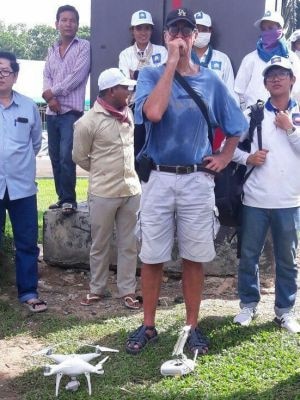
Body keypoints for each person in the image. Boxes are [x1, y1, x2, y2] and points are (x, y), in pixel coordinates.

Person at [125, 8, 248, 356]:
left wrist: (225, 156)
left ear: (195, 37)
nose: (180, 35)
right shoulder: (150, 74)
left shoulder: (211, 80)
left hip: (196, 179)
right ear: (165, 37)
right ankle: (149, 325)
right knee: (152, 256)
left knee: (195, 257)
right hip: (160, 177)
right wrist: (171, 66)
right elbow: (153, 112)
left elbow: (236, 126)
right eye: (174, 30)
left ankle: (192, 326)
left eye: (186, 30)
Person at [232, 56, 300, 333]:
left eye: (282, 74)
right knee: (249, 256)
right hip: (255, 199)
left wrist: (291, 130)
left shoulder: (297, 114)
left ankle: (285, 311)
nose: (276, 78)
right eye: (271, 75)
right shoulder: (254, 114)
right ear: (264, 82)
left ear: (292, 80)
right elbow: (229, 147)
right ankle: (248, 305)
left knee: (287, 259)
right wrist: (248, 158)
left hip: (290, 200)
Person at [72, 68, 142, 309]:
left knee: (128, 243)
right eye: (125, 88)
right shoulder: (87, 122)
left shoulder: (128, 114)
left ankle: (127, 290)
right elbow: (80, 157)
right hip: (103, 193)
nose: (130, 91)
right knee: (99, 243)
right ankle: (97, 289)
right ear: (112, 91)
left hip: (130, 189)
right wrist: (103, 171)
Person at [0, 51, 47, 313]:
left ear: (15, 75)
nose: (1, 75)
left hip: (22, 188)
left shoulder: (28, 106)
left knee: (27, 242)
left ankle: (28, 291)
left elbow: (35, 143)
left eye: (5, 71)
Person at [43, 4, 90, 215]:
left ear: (78, 25)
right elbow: (46, 76)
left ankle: (70, 199)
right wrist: (48, 94)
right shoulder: (51, 49)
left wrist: (52, 93)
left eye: (72, 20)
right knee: (54, 156)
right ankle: (61, 198)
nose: (68, 24)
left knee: (66, 156)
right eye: (64, 20)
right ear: (57, 24)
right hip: (52, 113)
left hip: (71, 111)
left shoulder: (84, 46)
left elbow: (77, 76)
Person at [119, 10, 168, 161]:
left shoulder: (162, 51)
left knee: (159, 149)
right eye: (139, 28)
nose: (143, 32)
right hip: (135, 108)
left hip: (159, 108)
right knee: (135, 151)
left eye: (147, 28)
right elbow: (126, 85)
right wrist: (151, 77)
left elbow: (165, 79)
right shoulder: (125, 54)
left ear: (152, 30)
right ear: (132, 30)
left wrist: (138, 76)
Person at [235, 10, 300, 109]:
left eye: (270, 28)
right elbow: (238, 90)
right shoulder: (250, 59)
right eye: (263, 29)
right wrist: (246, 113)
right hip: (254, 119)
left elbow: (297, 92)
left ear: (280, 29)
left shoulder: (291, 59)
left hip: (283, 118)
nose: (267, 32)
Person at [192, 11, 237, 100]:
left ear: (210, 31)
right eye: (196, 29)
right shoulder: (181, 59)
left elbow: (231, 95)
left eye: (203, 29)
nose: (199, 33)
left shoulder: (222, 59)